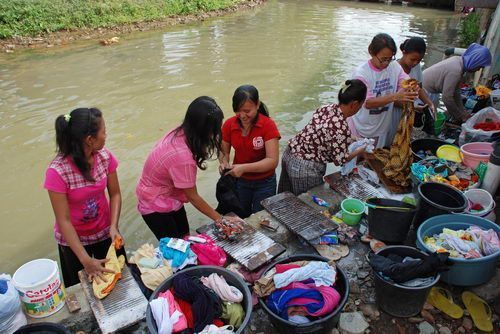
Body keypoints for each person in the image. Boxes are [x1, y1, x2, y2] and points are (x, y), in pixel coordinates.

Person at [136, 96, 242, 240]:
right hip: (154, 204)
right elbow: (193, 197)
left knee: (185, 237)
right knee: (175, 249)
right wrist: (220, 219)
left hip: (169, 195)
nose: (216, 133)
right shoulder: (182, 157)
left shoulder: (182, 131)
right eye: (214, 129)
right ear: (204, 130)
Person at [44, 108, 125, 287]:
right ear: (90, 139)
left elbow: (115, 194)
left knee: (119, 279)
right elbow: (63, 220)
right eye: (103, 131)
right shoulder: (57, 171)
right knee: (82, 287)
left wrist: (114, 226)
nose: (106, 135)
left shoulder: (105, 157)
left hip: (105, 232)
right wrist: (85, 259)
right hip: (74, 242)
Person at [278, 79, 368, 196]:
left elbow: (325, 133)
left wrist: (352, 138)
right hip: (304, 168)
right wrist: (360, 150)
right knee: (309, 203)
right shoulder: (341, 128)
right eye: (360, 106)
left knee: (286, 200)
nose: (359, 109)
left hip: (289, 155)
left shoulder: (327, 108)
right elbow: (341, 160)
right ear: (354, 104)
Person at [219, 85, 280, 217]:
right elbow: (223, 152)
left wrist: (243, 168)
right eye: (238, 111)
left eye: (247, 111)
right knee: (240, 216)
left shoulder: (268, 125)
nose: (242, 116)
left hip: (265, 182)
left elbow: (272, 161)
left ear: (257, 105)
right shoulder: (229, 125)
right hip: (240, 182)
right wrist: (224, 163)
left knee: (262, 218)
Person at [349, 33, 418, 148]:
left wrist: (412, 87)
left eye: (390, 59)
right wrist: (395, 96)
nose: (386, 63)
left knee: (371, 155)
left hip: (380, 127)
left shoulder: (394, 66)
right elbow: (368, 103)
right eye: (383, 59)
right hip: (360, 127)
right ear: (371, 52)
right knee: (354, 157)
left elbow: (405, 81)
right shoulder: (361, 74)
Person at [423, 43, 492, 123]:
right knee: (425, 121)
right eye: (479, 67)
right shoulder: (456, 71)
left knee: (430, 120)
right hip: (424, 92)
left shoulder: (458, 61)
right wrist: (459, 116)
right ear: (474, 61)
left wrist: (463, 112)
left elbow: (456, 92)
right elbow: (447, 98)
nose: (478, 70)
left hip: (428, 90)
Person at [387, 37, 436, 143]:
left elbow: (419, 88)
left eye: (419, 60)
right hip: (392, 114)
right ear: (404, 52)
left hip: (407, 113)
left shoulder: (416, 67)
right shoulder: (392, 69)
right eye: (413, 59)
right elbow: (390, 99)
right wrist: (412, 106)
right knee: (391, 141)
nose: (415, 63)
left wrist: (429, 103)